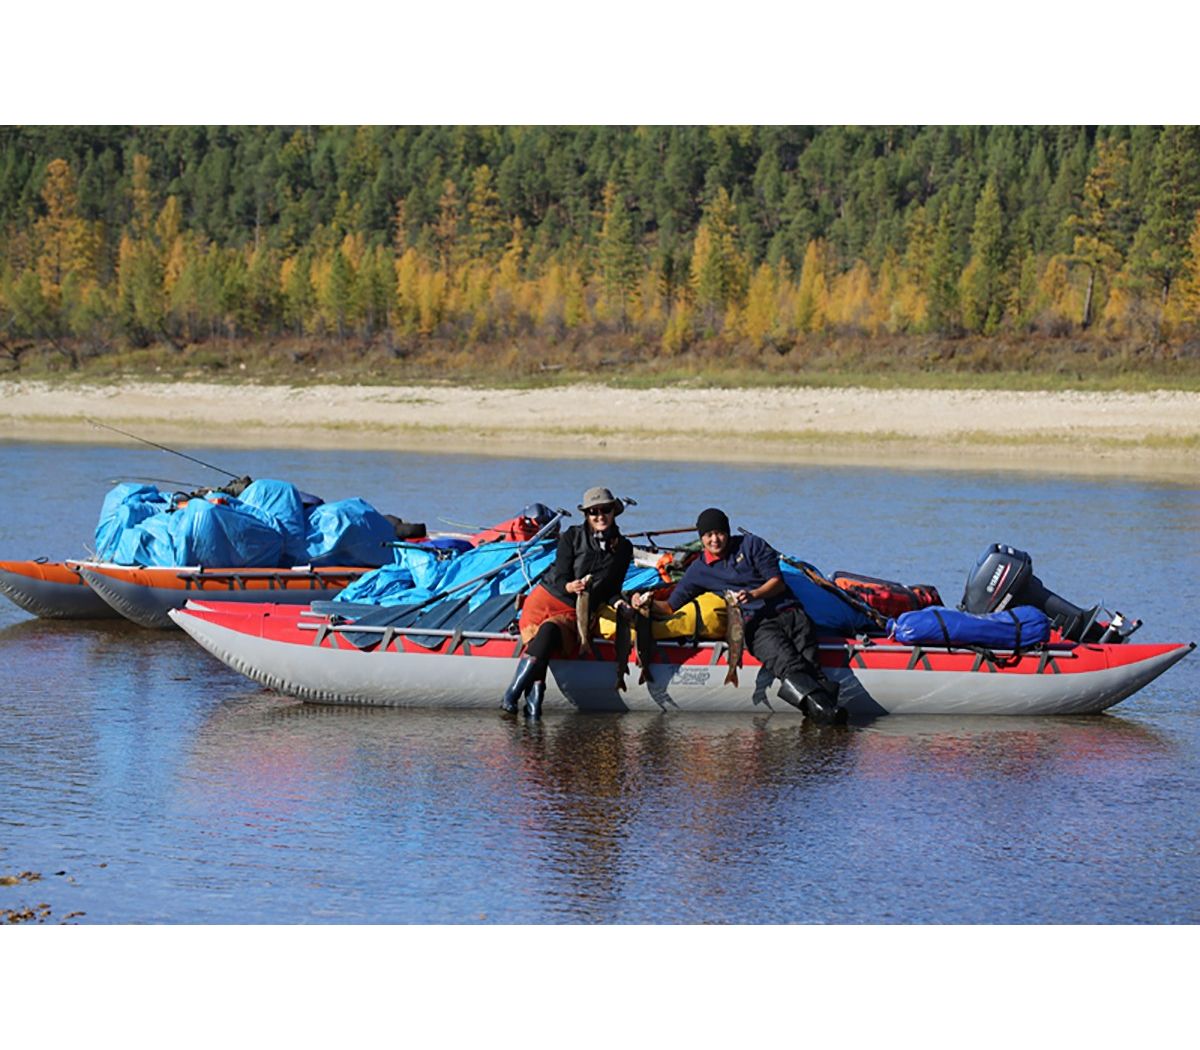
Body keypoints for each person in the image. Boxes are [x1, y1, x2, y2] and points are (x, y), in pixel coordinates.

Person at [631, 507, 842, 724]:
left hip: (790, 613)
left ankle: (826, 718)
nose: (715, 540)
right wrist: (643, 602)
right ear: (701, 538)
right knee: (789, 665)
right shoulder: (698, 571)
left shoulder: (752, 545)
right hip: (756, 626)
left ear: (728, 532)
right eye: (708, 535)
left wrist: (754, 594)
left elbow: (777, 583)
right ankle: (829, 723)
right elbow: (669, 607)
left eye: (720, 533)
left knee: (814, 670)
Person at [501, 487, 634, 718]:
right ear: (586, 515)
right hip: (547, 598)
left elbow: (612, 590)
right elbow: (561, 573)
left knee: (550, 632)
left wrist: (620, 604)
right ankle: (528, 704)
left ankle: (515, 696)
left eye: (605, 510)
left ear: (614, 512)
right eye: (593, 511)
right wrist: (569, 586)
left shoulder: (624, 548)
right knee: (543, 636)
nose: (599, 516)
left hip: (575, 610)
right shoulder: (572, 536)